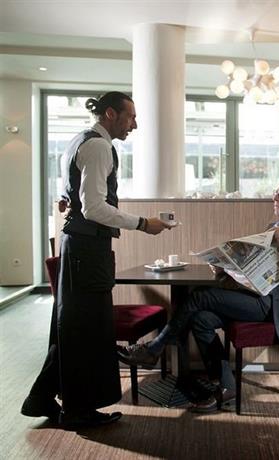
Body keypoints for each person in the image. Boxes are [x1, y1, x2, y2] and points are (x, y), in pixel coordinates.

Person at [21, 92, 172, 428]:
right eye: (130, 117)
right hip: (88, 250)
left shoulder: (79, 141)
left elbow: (72, 194)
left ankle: (41, 398)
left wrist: (67, 201)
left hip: (77, 246)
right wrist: (143, 224)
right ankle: (78, 411)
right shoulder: (100, 146)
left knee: (71, 327)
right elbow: (94, 208)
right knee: (87, 330)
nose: (135, 125)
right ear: (110, 114)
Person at [119, 180, 279, 412]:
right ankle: (226, 386)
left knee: (200, 296)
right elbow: (254, 271)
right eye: (275, 194)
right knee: (200, 319)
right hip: (256, 297)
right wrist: (225, 268)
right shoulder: (271, 228)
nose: (275, 198)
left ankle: (154, 349)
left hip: (277, 306)